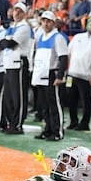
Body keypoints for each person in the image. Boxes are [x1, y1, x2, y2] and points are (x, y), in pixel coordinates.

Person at [32, 11, 68, 141]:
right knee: (44, 105)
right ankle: (48, 130)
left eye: (48, 21)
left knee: (54, 105)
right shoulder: (41, 37)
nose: (46, 24)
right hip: (41, 74)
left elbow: (63, 57)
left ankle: (57, 132)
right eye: (44, 21)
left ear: (53, 23)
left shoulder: (57, 37)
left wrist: (59, 76)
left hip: (52, 73)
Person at [66, 18, 91, 131]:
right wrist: (66, 70)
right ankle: (73, 121)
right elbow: (69, 53)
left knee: (86, 101)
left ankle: (85, 123)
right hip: (72, 73)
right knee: (71, 100)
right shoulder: (78, 37)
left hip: (86, 75)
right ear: (87, 25)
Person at [0, 3, 32, 134]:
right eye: (15, 11)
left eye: (20, 11)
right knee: (9, 96)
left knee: (18, 95)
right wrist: (5, 42)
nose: (16, 13)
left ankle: (17, 124)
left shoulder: (24, 27)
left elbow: (10, 43)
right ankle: (11, 123)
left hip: (19, 63)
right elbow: (1, 44)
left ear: (24, 14)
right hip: (9, 63)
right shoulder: (13, 27)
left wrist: (6, 42)